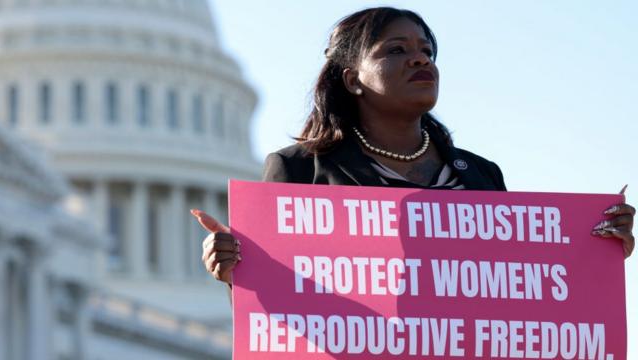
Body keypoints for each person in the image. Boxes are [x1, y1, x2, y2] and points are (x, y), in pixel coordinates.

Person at [192, 7, 635, 288]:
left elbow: (522, 283)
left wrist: (596, 249)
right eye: (396, 50)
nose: (420, 59)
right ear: (352, 79)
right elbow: (285, 305)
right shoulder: (300, 170)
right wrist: (237, 274)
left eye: (426, 50)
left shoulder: (480, 175)